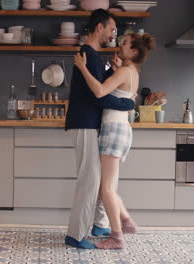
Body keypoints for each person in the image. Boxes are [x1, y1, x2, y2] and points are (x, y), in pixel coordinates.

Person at [74, 32, 155, 249]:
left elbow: (100, 92)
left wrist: (83, 68)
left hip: (113, 129)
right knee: (106, 186)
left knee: (106, 188)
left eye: (126, 43)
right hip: (121, 129)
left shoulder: (125, 72)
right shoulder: (131, 72)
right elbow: (118, 93)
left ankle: (117, 236)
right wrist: (115, 69)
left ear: (134, 51)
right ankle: (126, 221)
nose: (121, 44)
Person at [64, 9, 136, 249]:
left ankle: (98, 224)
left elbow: (101, 85)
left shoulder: (94, 56)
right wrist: (128, 103)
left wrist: (111, 72)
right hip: (84, 122)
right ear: (99, 28)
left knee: (96, 180)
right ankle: (75, 235)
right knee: (89, 180)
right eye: (112, 29)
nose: (113, 34)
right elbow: (99, 96)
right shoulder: (88, 54)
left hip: (90, 124)